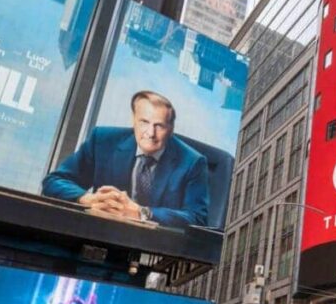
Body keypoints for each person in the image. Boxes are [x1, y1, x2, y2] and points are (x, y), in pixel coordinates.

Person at [42, 91, 211, 228]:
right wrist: (89, 199)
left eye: (159, 125)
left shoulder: (193, 162)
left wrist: (142, 212)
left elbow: (197, 218)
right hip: (100, 231)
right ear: (134, 120)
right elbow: (54, 181)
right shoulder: (102, 140)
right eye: (144, 122)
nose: (150, 133)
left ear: (171, 129)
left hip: (152, 247)